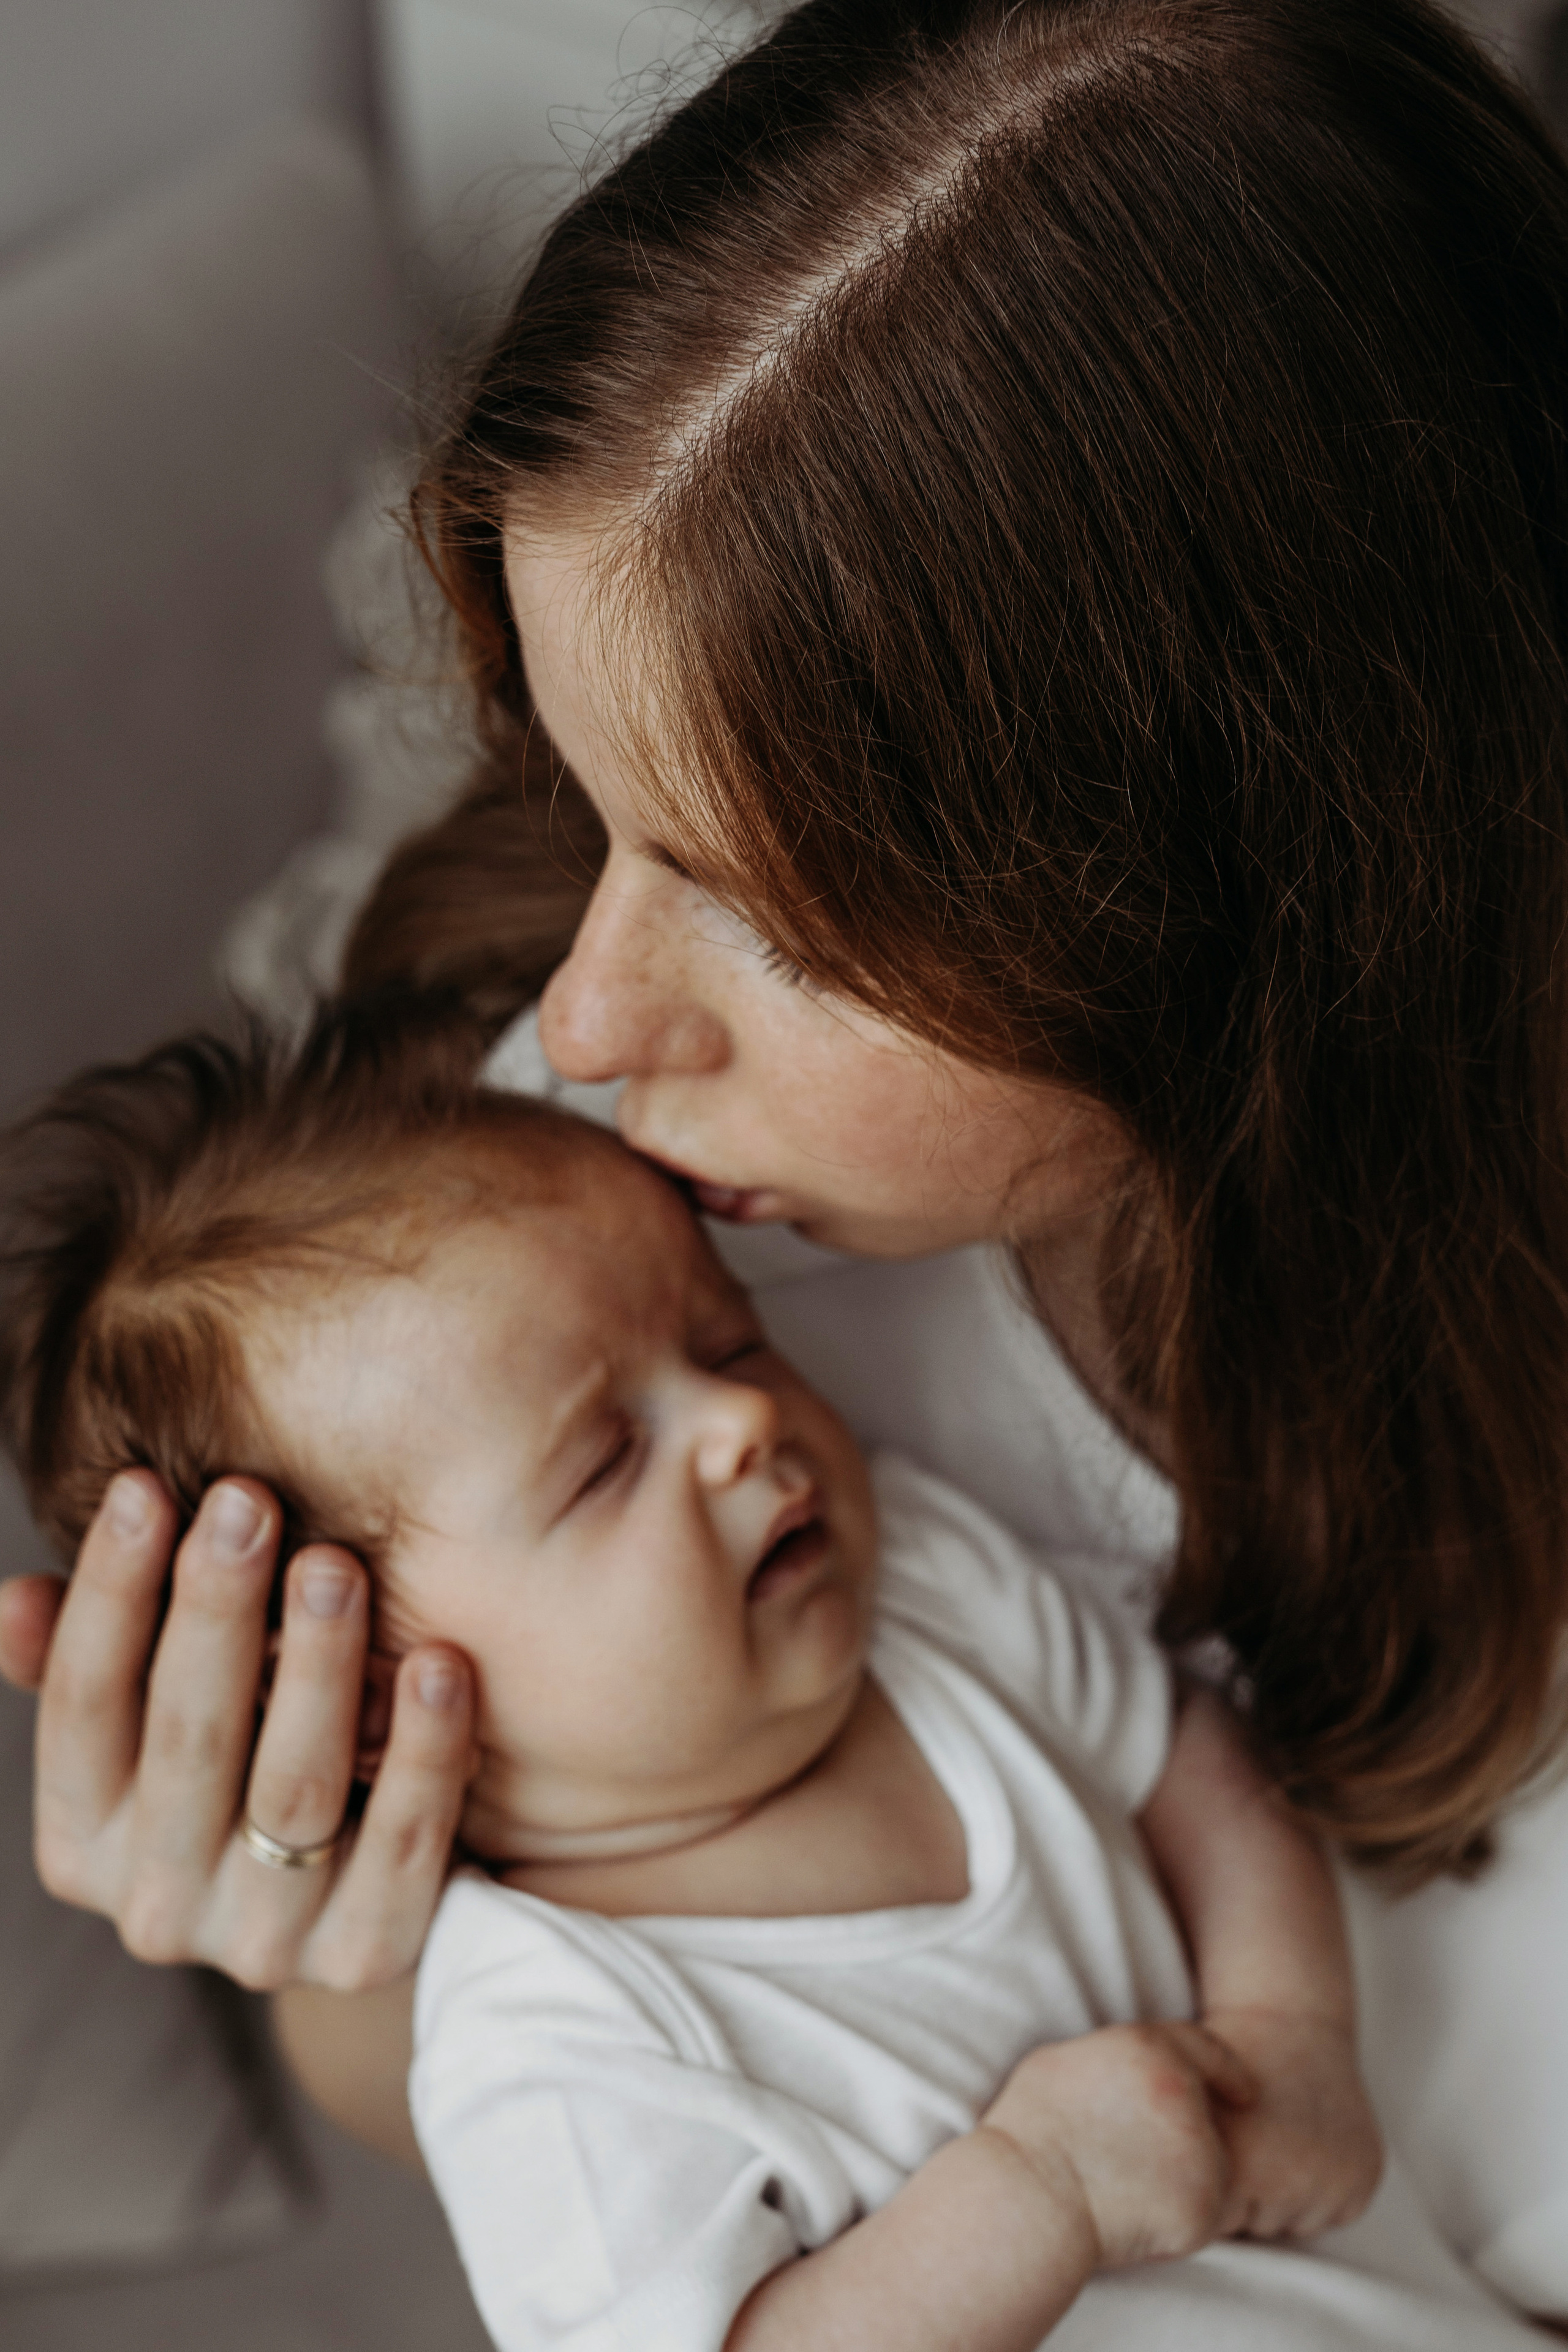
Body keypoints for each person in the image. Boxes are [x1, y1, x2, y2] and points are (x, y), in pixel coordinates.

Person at [3, 0, 1568, 2326]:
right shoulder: (537, 1221)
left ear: (1255, 903)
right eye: (597, 803)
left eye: (785, 911)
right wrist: (346, 1916)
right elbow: (594, 2078)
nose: (598, 1033)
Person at [6, 999, 1488, 2352]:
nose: (736, 1422)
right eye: (604, 1459)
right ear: (373, 1695)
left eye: (728, 1336)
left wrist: (1285, 2036)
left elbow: (1188, 1758)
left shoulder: (918, 1585)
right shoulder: (550, 2035)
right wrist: (1038, 2197)